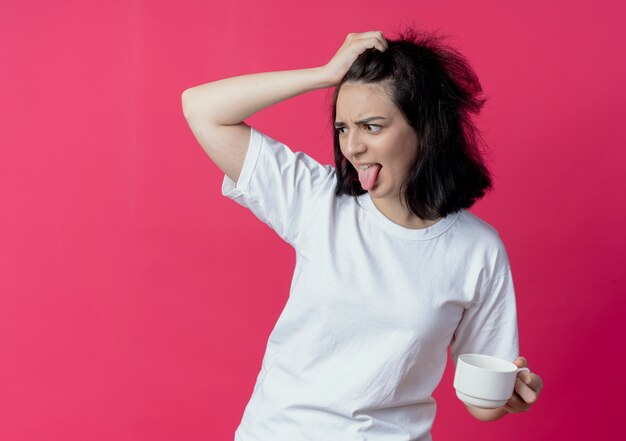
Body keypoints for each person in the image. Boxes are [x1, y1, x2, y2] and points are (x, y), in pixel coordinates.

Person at [182, 28, 543, 441]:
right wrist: (324, 75)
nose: (351, 147)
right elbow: (201, 108)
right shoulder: (318, 201)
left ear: (426, 128)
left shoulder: (477, 249)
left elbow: (481, 401)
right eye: (342, 128)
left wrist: (508, 395)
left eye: (371, 127)